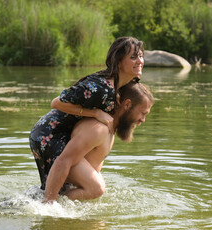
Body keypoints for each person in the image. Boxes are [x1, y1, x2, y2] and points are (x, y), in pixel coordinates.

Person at [29, 37, 144, 191]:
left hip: (68, 132)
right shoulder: (100, 88)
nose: (139, 61)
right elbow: (56, 103)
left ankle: (39, 202)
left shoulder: (123, 85)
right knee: (89, 187)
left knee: (70, 186)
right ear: (118, 61)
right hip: (49, 133)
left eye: (141, 56)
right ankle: (46, 206)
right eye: (133, 57)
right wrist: (95, 113)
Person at [42, 81, 154, 202]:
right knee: (96, 188)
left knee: (97, 185)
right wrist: (49, 203)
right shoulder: (99, 128)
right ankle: (46, 205)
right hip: (58, 161)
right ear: (127, 104)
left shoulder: (110, 129)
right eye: (142, 113)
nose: (143, 120)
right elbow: (63, 159)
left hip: (66, 176)